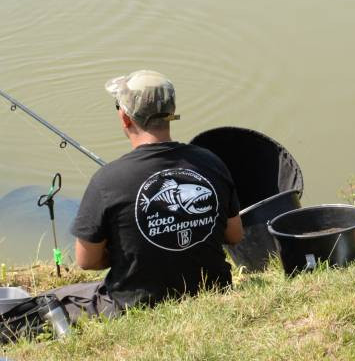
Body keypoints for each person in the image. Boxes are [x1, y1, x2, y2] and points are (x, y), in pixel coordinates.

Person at [43, 70, 243, 323]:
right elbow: (235, 235)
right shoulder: (211, 162)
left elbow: (86, 260)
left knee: (50, 302)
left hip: (134, 303)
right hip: (213, 289)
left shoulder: (108, 179)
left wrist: (129, 253)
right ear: (171, 114)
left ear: (125, 117)